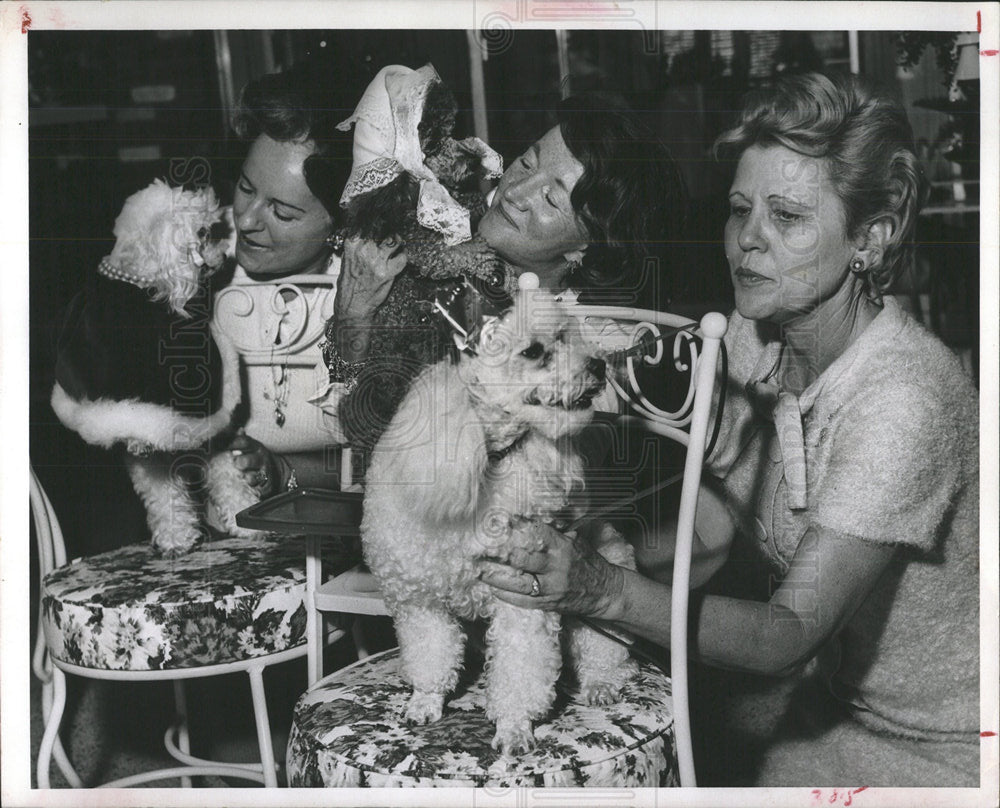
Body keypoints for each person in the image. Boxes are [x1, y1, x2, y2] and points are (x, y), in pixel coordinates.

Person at [480, 72, 980, 786]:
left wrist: (598, 588)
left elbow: (789, 633)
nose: (748, 240)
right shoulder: (751, 335)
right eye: (740, 208)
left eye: (789, 217)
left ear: (868, 239)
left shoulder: (905, 397)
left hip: (950, 745)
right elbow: (627, 361)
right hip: (828, 705)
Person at [326, 91, 688, 456]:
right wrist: (353, 314)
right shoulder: (433, 251)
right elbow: (344, 429)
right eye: (528, 163)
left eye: (550, 199)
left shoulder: (594, 346)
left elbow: (461, 458)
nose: (515, 191)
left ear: (588, 248)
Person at [211, 63, 406, 495]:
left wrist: (282, 473)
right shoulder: (203, 255)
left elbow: (383, 462)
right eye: (245, 187)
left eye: (281, 212)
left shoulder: (373, 290)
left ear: (341, 225)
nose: (245, 219)